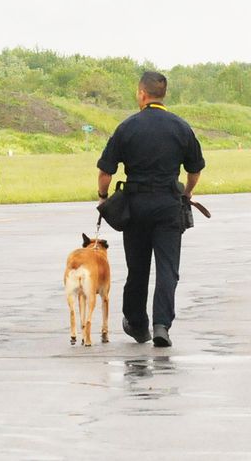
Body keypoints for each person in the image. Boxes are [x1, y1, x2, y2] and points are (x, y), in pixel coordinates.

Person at [96, 71, 204, 348]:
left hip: (136, 205)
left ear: (142, 94)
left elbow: (105, 171)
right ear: (162, 94)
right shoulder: (181, 127)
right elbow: (195, 169)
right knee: (168, 268)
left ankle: (136, 323)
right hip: (168, 205)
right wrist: (188, 192)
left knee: (138, 268)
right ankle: (161, 325)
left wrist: (103, 196)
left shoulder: (128, 127)